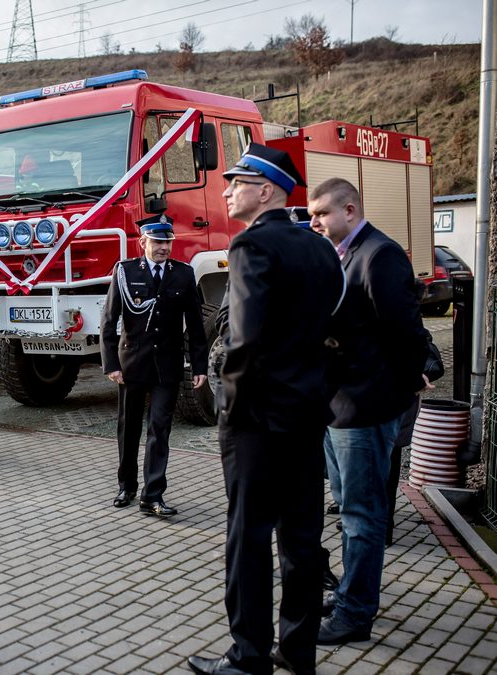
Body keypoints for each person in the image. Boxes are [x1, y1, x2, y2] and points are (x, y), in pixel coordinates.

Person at [188, 145, 345, 675]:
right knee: (301, 539)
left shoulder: (252, 244)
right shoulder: (320, 248)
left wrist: (229, 407)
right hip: (306, 415)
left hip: (256, 420)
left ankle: (248, 656)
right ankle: (298, 650)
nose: (227, 190)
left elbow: (244, 339)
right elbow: (336, 331)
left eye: (236, 182)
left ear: (265, 190)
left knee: (248, 538)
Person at [307, 177, 429, 646]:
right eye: (312, 215)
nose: (314, 222)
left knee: (362, 516)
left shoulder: (380, 255)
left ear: (350, 210)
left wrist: (402, 387)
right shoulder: (341, 255)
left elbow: (407, 332)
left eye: (321, 213)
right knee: (348, 510)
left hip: (365, 408)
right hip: (336, 408)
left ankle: (355, 614)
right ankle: (350, 594)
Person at [101, 216, 207, 517]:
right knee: (129, 428)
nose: (164, 248)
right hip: (132, 364)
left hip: (167, 366)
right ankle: (127, 486)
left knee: (160, 429)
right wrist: (111, 364)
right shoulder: (125, 272)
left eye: (167, 243)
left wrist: (199, 365)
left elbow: (196, 325)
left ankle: (153, 495)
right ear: (143, 242)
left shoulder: (183, 274)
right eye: (158, 242)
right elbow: (109, 320)